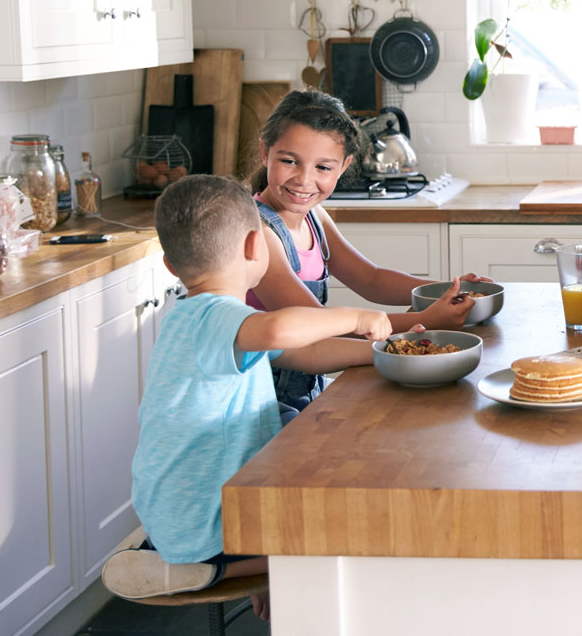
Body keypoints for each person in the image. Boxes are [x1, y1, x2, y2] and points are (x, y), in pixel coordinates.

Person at [103, 175, 392, 618]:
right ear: (257, 247)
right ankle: (208, 568)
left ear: (169, 265)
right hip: (202, 527)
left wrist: (381, 355)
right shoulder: (219, 318)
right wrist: (354, 316)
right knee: (351, 533)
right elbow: (281, 328)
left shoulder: (197, 320)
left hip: (178, 511)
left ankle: (254, 566)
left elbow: (306, 352)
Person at [246, 90, 490, 419]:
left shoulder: (315, 217)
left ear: (344, 165)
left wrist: (448, 289)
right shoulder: (258, 231)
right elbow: (316, 322)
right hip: (260, 402)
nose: (304, 180)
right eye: (289, 161)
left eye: (322, 167)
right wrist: (426, 321)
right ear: (265, 151)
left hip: (307, 389)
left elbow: (370, 279)